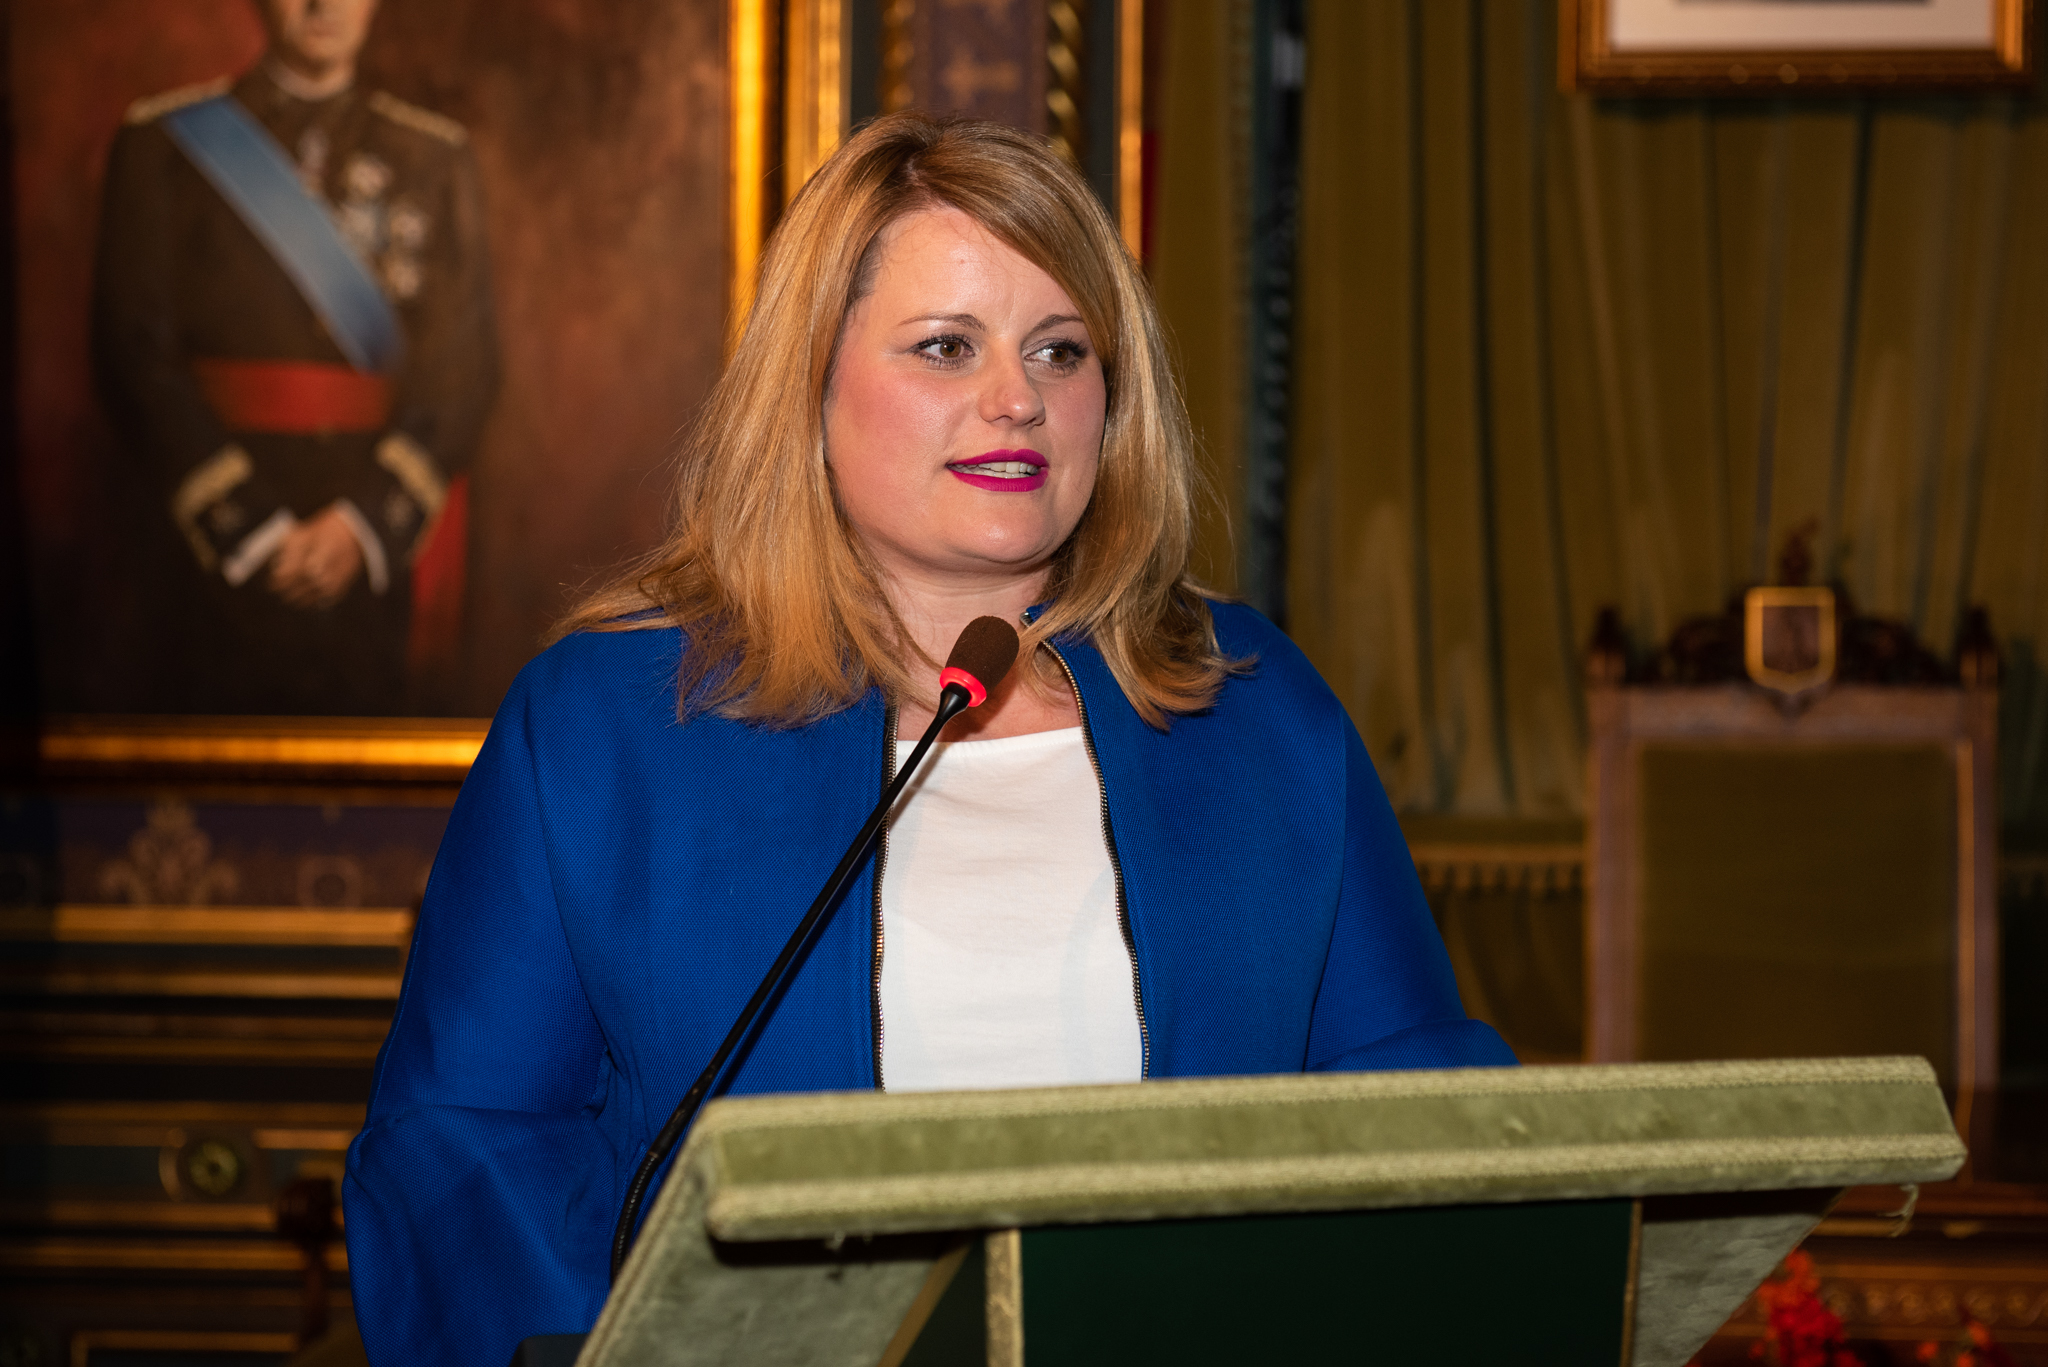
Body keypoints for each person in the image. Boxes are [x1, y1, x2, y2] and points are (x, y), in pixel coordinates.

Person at [343, 112, 1513, 1363]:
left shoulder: (1254, 710)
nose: (1018, 399)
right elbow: (468, 1149)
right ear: (810, 385)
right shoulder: (603, 727)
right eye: (946, 346)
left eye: (1060, 350)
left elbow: (1413, 1121)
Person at [92, 0, 498, 714]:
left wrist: (365, 527)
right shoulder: (162, 145)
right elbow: (133, 355)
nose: (321, 4)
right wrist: (248, 527)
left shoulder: (435, 156)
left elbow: (464, 370)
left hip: (368, 544)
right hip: (210, 553)